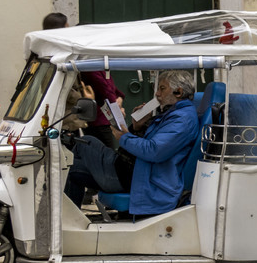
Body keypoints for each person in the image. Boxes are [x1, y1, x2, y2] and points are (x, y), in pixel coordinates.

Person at [63, 69, 199, 220]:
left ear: (178, 92)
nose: (157, 94)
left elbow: (153, 150)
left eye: (162, 88)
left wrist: (124, 137)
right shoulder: (170, 114)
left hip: (140, 178)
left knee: (86, 142)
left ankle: (69, 217)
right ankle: (68, 220)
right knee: (72, 168)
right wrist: (137, 127)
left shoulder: (182, 119)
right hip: (133, 170)